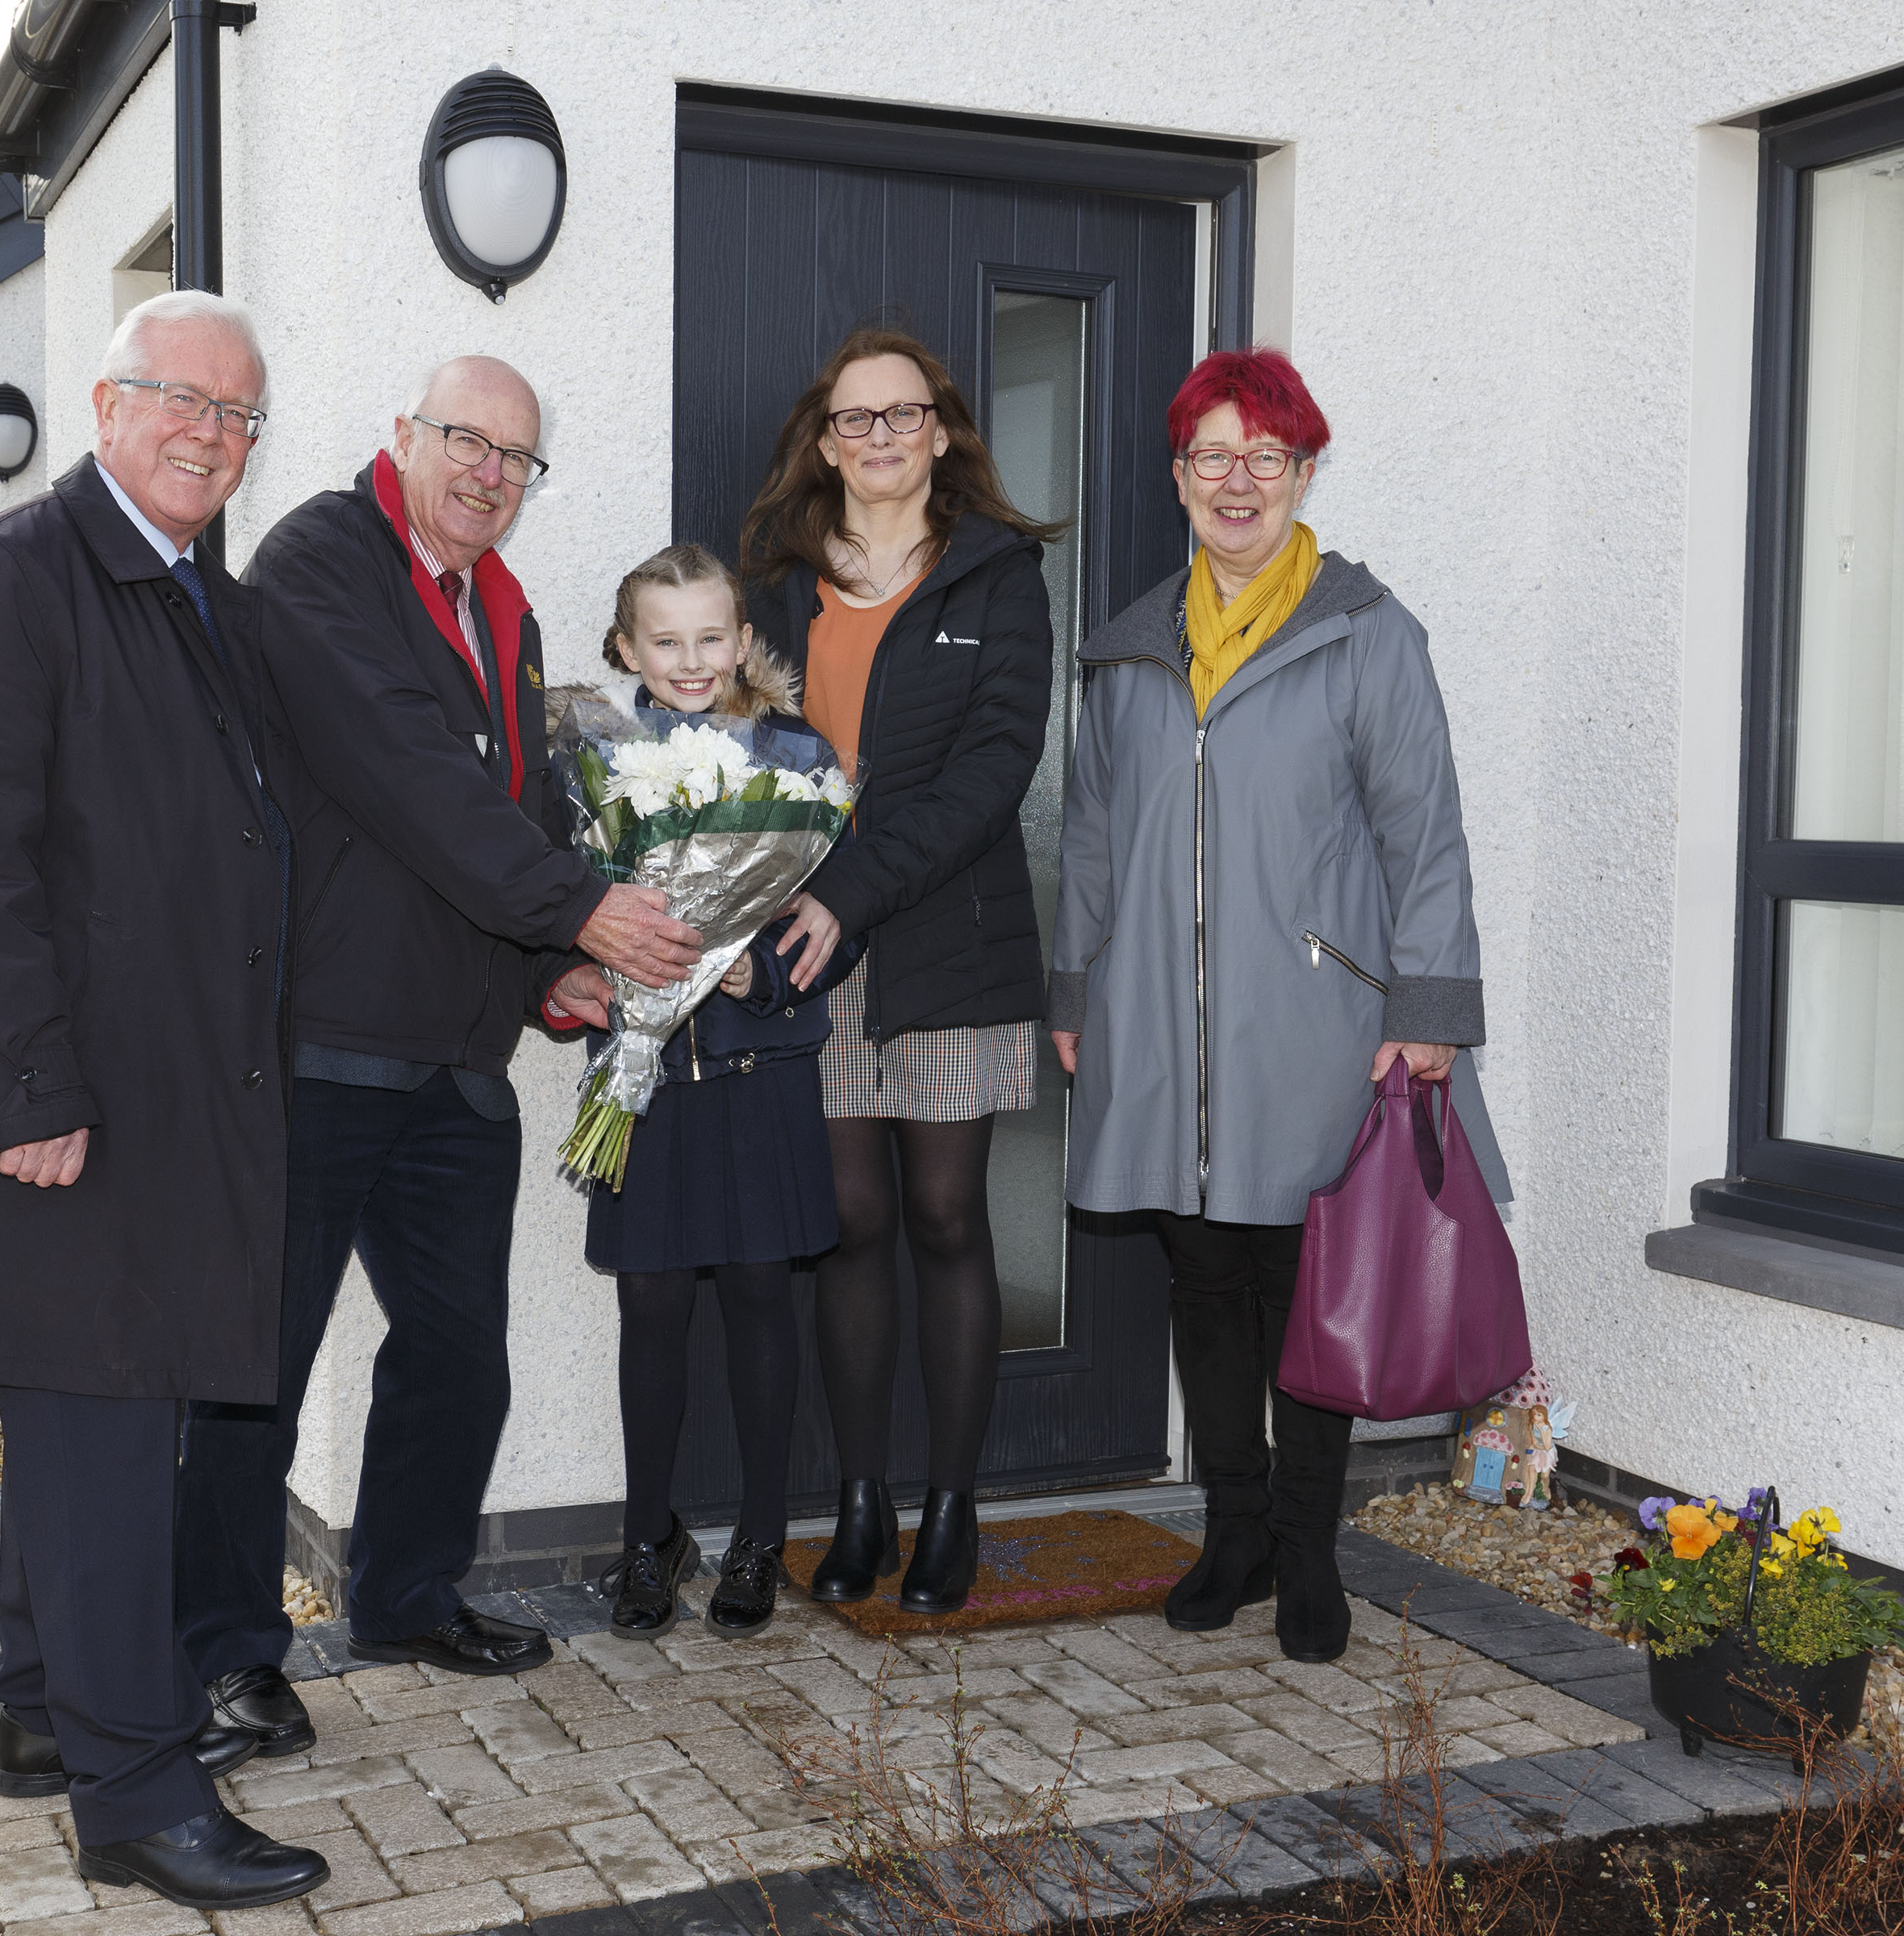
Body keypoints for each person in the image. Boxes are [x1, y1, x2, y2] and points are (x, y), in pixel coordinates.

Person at [0, 291, 326, 1911]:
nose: (210, 435)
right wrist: (28, 1087)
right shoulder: (17, 578)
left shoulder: (195, 597)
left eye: (239, 417)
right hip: (61, 1106)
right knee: (110, 1443)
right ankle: (138, 1795)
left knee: (79, 1418)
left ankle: (48, 1716)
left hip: (152, 1098)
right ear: (107, 404)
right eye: (180, 399)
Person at [173, 357, 703, 1698]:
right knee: (256, 1373)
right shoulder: (321, 561)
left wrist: (547, 972)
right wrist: (584, 909)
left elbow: (508, 812)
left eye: (517, 460)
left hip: (456, 1057)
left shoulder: (500, 610)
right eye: (467, 441)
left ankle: (407, 1596)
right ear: (401, 434)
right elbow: (407, 779)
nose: (489, 474)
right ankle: (223, 1651)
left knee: (459, 1356)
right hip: (320, 1047)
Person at [1050, 347, 1505, 1664]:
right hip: (1161, 1019)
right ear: (1176, 475)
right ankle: (1234, 1530)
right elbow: (1090, 834)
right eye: (1212, 456)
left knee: (1309, 1287)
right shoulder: (1129, 648)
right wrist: (1079, 982)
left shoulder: (1370, 636)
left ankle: (1311, 1549)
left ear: (1306, 473)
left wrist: (1427, 1008)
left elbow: (1428, 837)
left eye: (1267, 456)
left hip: (1322, 1028)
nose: (1237, 481)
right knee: (1204, 1275)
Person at [741, 327, 1058, 1615]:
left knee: (943, 1221)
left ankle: (953, 1504)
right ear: (826, 441)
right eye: (854, 420)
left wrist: (849, 890)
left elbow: (993, 778)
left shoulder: (998, 578)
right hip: (811, 949)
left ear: (942, 430)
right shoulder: (776, 584)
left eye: (903, 416)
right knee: (849, 1227)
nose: (879, 438)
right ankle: (862, 1498)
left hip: (944, 944)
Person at [567, 543, 866, 1643]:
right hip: (644, 1082)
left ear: (743, 643)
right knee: (648, 1306)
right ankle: (649, 1536)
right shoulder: (597, 763)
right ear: (626, 649)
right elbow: (566, 900)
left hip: (758, 1076)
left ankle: (757, 1537)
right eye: (665, 641)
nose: (690, 661)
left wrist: (766, 971)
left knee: (756, 1299)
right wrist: (595, 968)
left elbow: (829, 924)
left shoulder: (795, 759)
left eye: (710, 638)